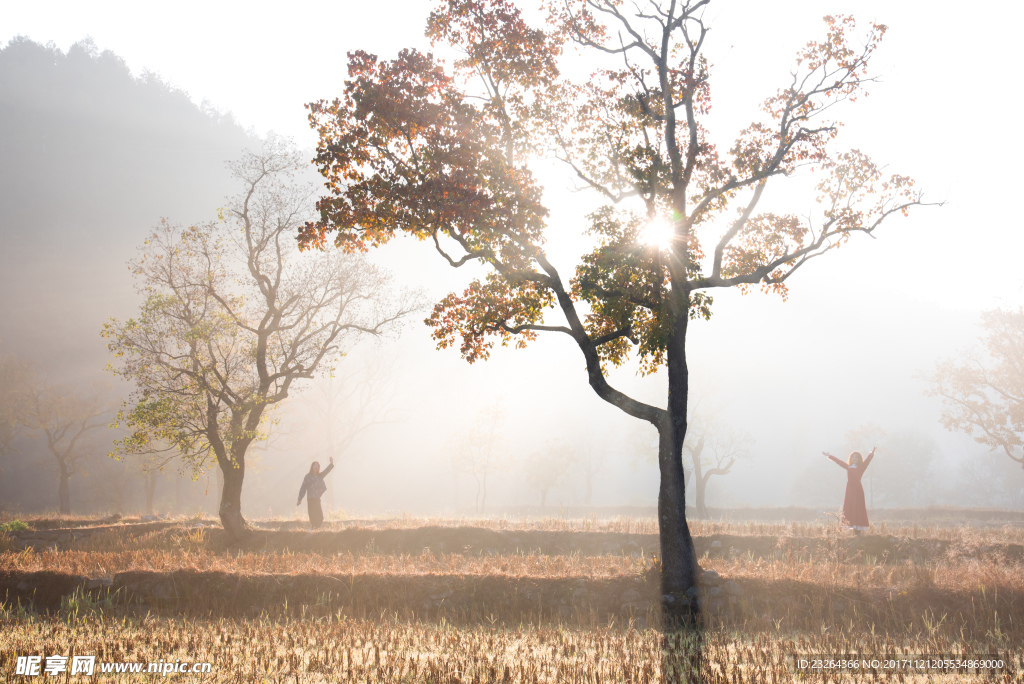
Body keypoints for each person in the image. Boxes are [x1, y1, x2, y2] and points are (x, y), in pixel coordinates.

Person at [822, 447, 876, 532]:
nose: (854, 459)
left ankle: (858, 529)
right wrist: (829, 455)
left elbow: (867, 461)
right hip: (849, 490)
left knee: (858, 507)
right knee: (849, 507)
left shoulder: (861, 467)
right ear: (851, 459)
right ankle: (853, 526)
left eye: (856, 457)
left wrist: (871, 453)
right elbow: (839, 462)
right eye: (853, 457)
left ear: (858, 459)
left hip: (858, 490)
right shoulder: (848, 467)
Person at [297, 457, 334, 530]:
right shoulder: (307, 476)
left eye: (318, 466)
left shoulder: (320, 476)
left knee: (320, 517)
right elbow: (303, 488)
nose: (316, 467)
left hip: (317, 499)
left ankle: (315, 528)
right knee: (312, 516)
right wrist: (299, 499)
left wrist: (331, 464)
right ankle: (313, 528)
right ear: (312, 466)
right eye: (315, 465)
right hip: (310, 499)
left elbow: (326, 471)